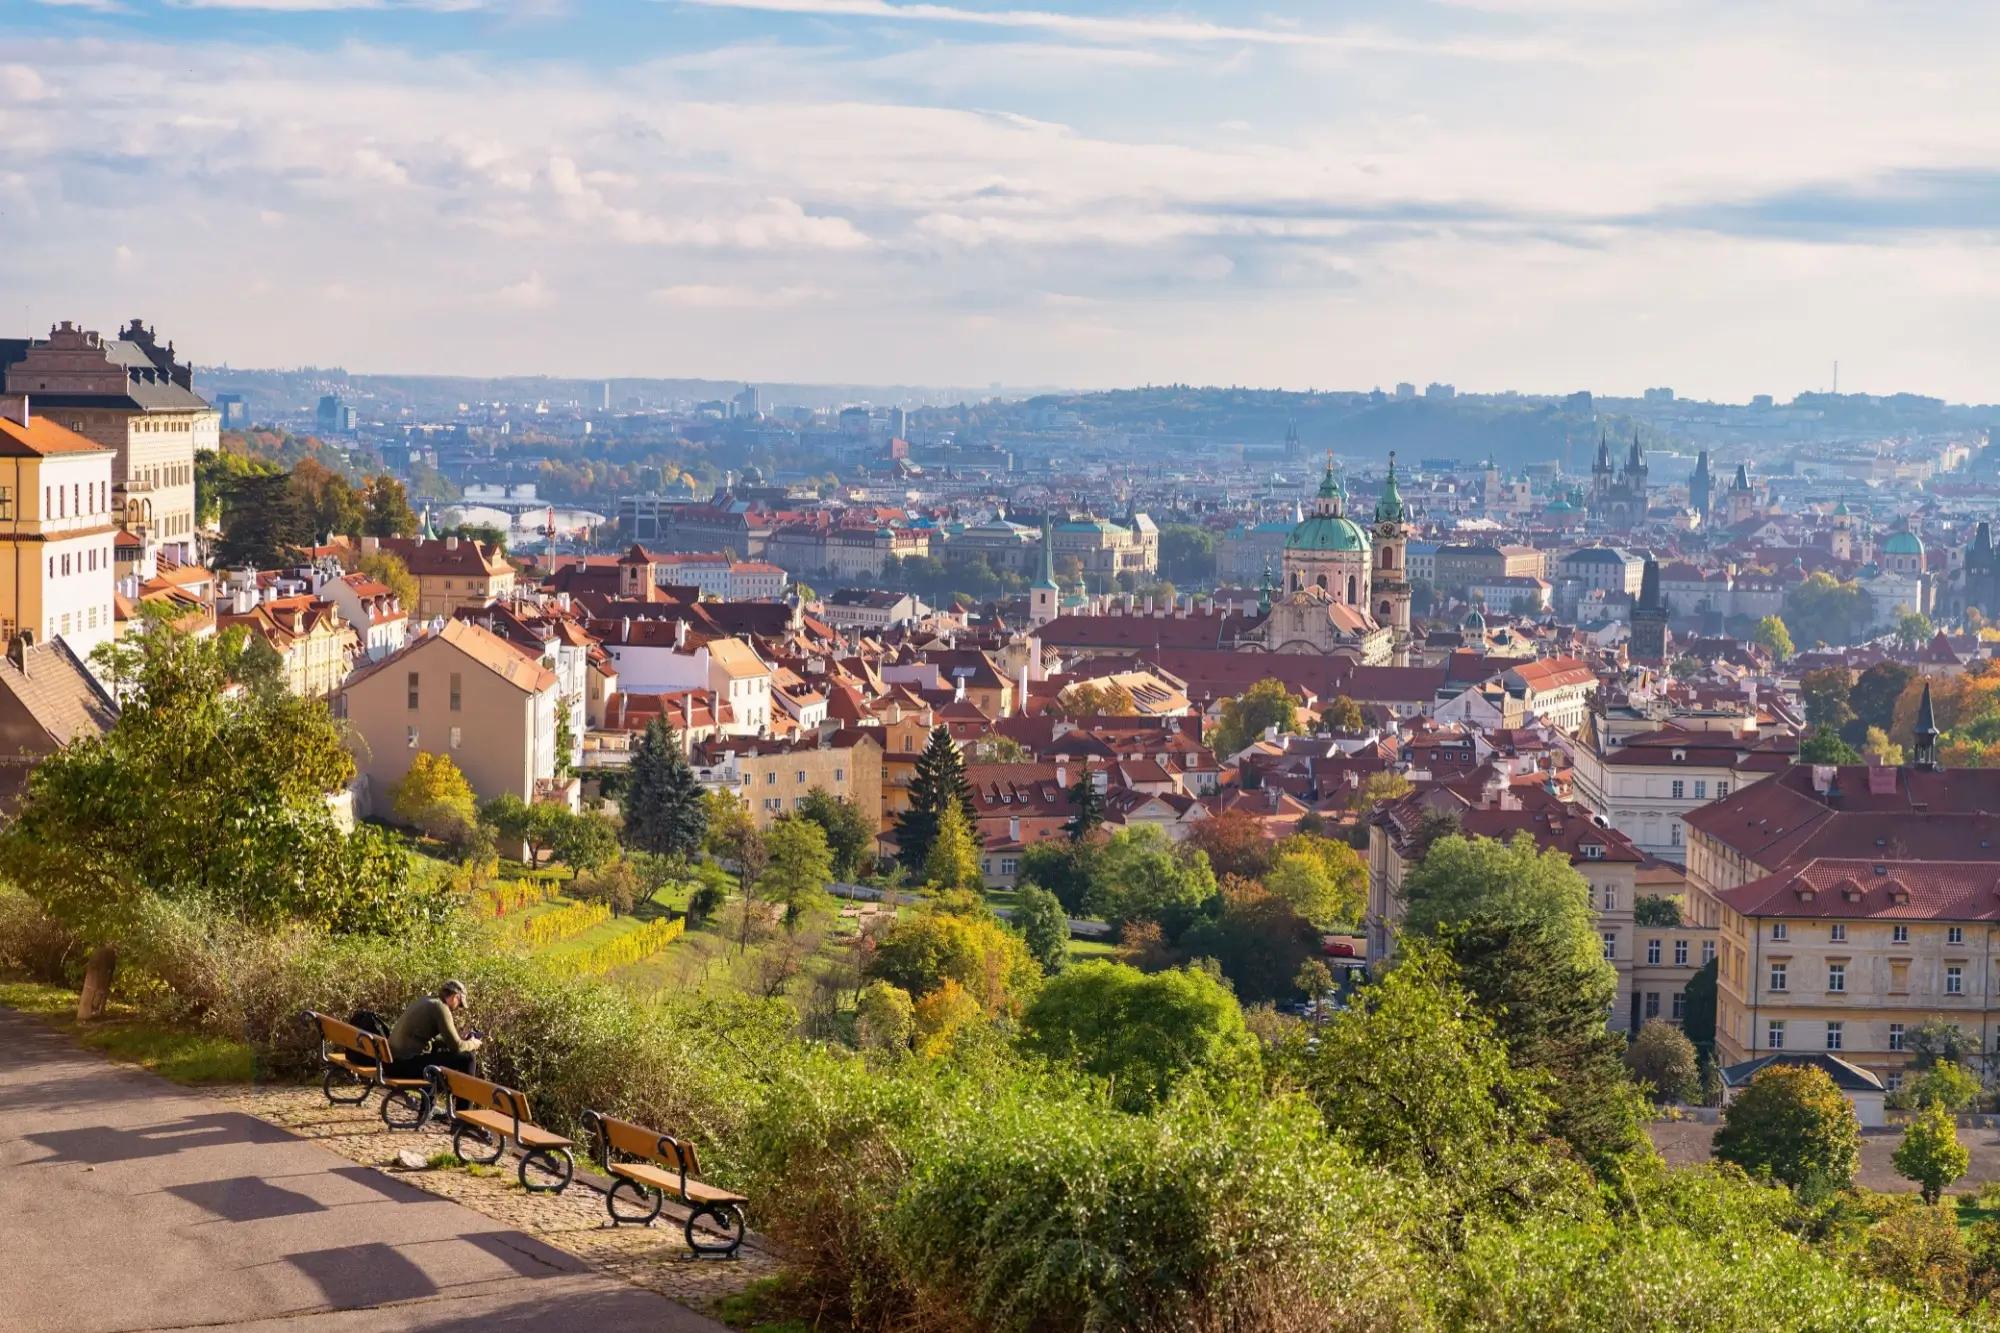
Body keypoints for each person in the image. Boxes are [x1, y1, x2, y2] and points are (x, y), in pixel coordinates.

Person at [385, 979, 482, 1083]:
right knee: (467, 1057)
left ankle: (428, 1099)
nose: (458, 1008)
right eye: (460, 1004)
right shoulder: (440, 1008)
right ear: (455, 997)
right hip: (402, 1067)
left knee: (437, 1050)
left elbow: (431, 1039)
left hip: (390, 1063)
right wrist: (473, 1043)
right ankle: (466, 1099)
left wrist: (459, 1039)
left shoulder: (426, 1000)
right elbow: (457, 1047)